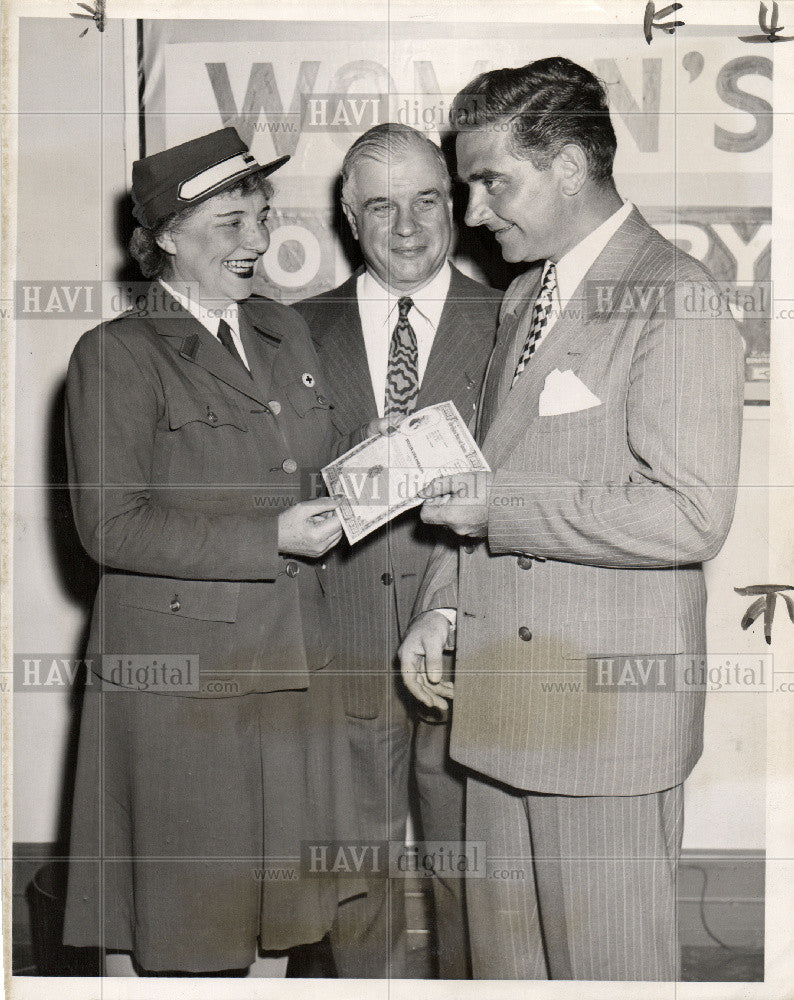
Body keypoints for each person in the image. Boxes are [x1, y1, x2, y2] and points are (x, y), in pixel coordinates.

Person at [398, 57, 745, 981]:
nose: (472, 214)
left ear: (568, 166)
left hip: (603, 730)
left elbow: (690, 516)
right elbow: (484, 471)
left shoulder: (677, 295)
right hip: (498, 708)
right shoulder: (523, 296)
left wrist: (500, 510)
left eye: (491, 182)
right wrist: (442, 603)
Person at [62, 126, 363, 975]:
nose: (260, 243)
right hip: (182, 680)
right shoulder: (116, 355)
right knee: (170, 918)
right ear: (165, 237)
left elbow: (314, 457)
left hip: (292, 663)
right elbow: (110, 528)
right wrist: (268, 537)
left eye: (263, 218)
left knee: (281, 915)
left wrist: (388, 460)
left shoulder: (279, 331)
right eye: (232, 223)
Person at [294, 123, 501, 978]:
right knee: (351, 885)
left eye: (426, 200)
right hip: (335, 645)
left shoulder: (517, 319)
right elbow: (267, 489)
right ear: (347, 217)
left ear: (454, 202)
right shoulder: (291, 330)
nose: (408, 226)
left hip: (471, 641)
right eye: (381, 205)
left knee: (473, 882)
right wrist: (344, 464)